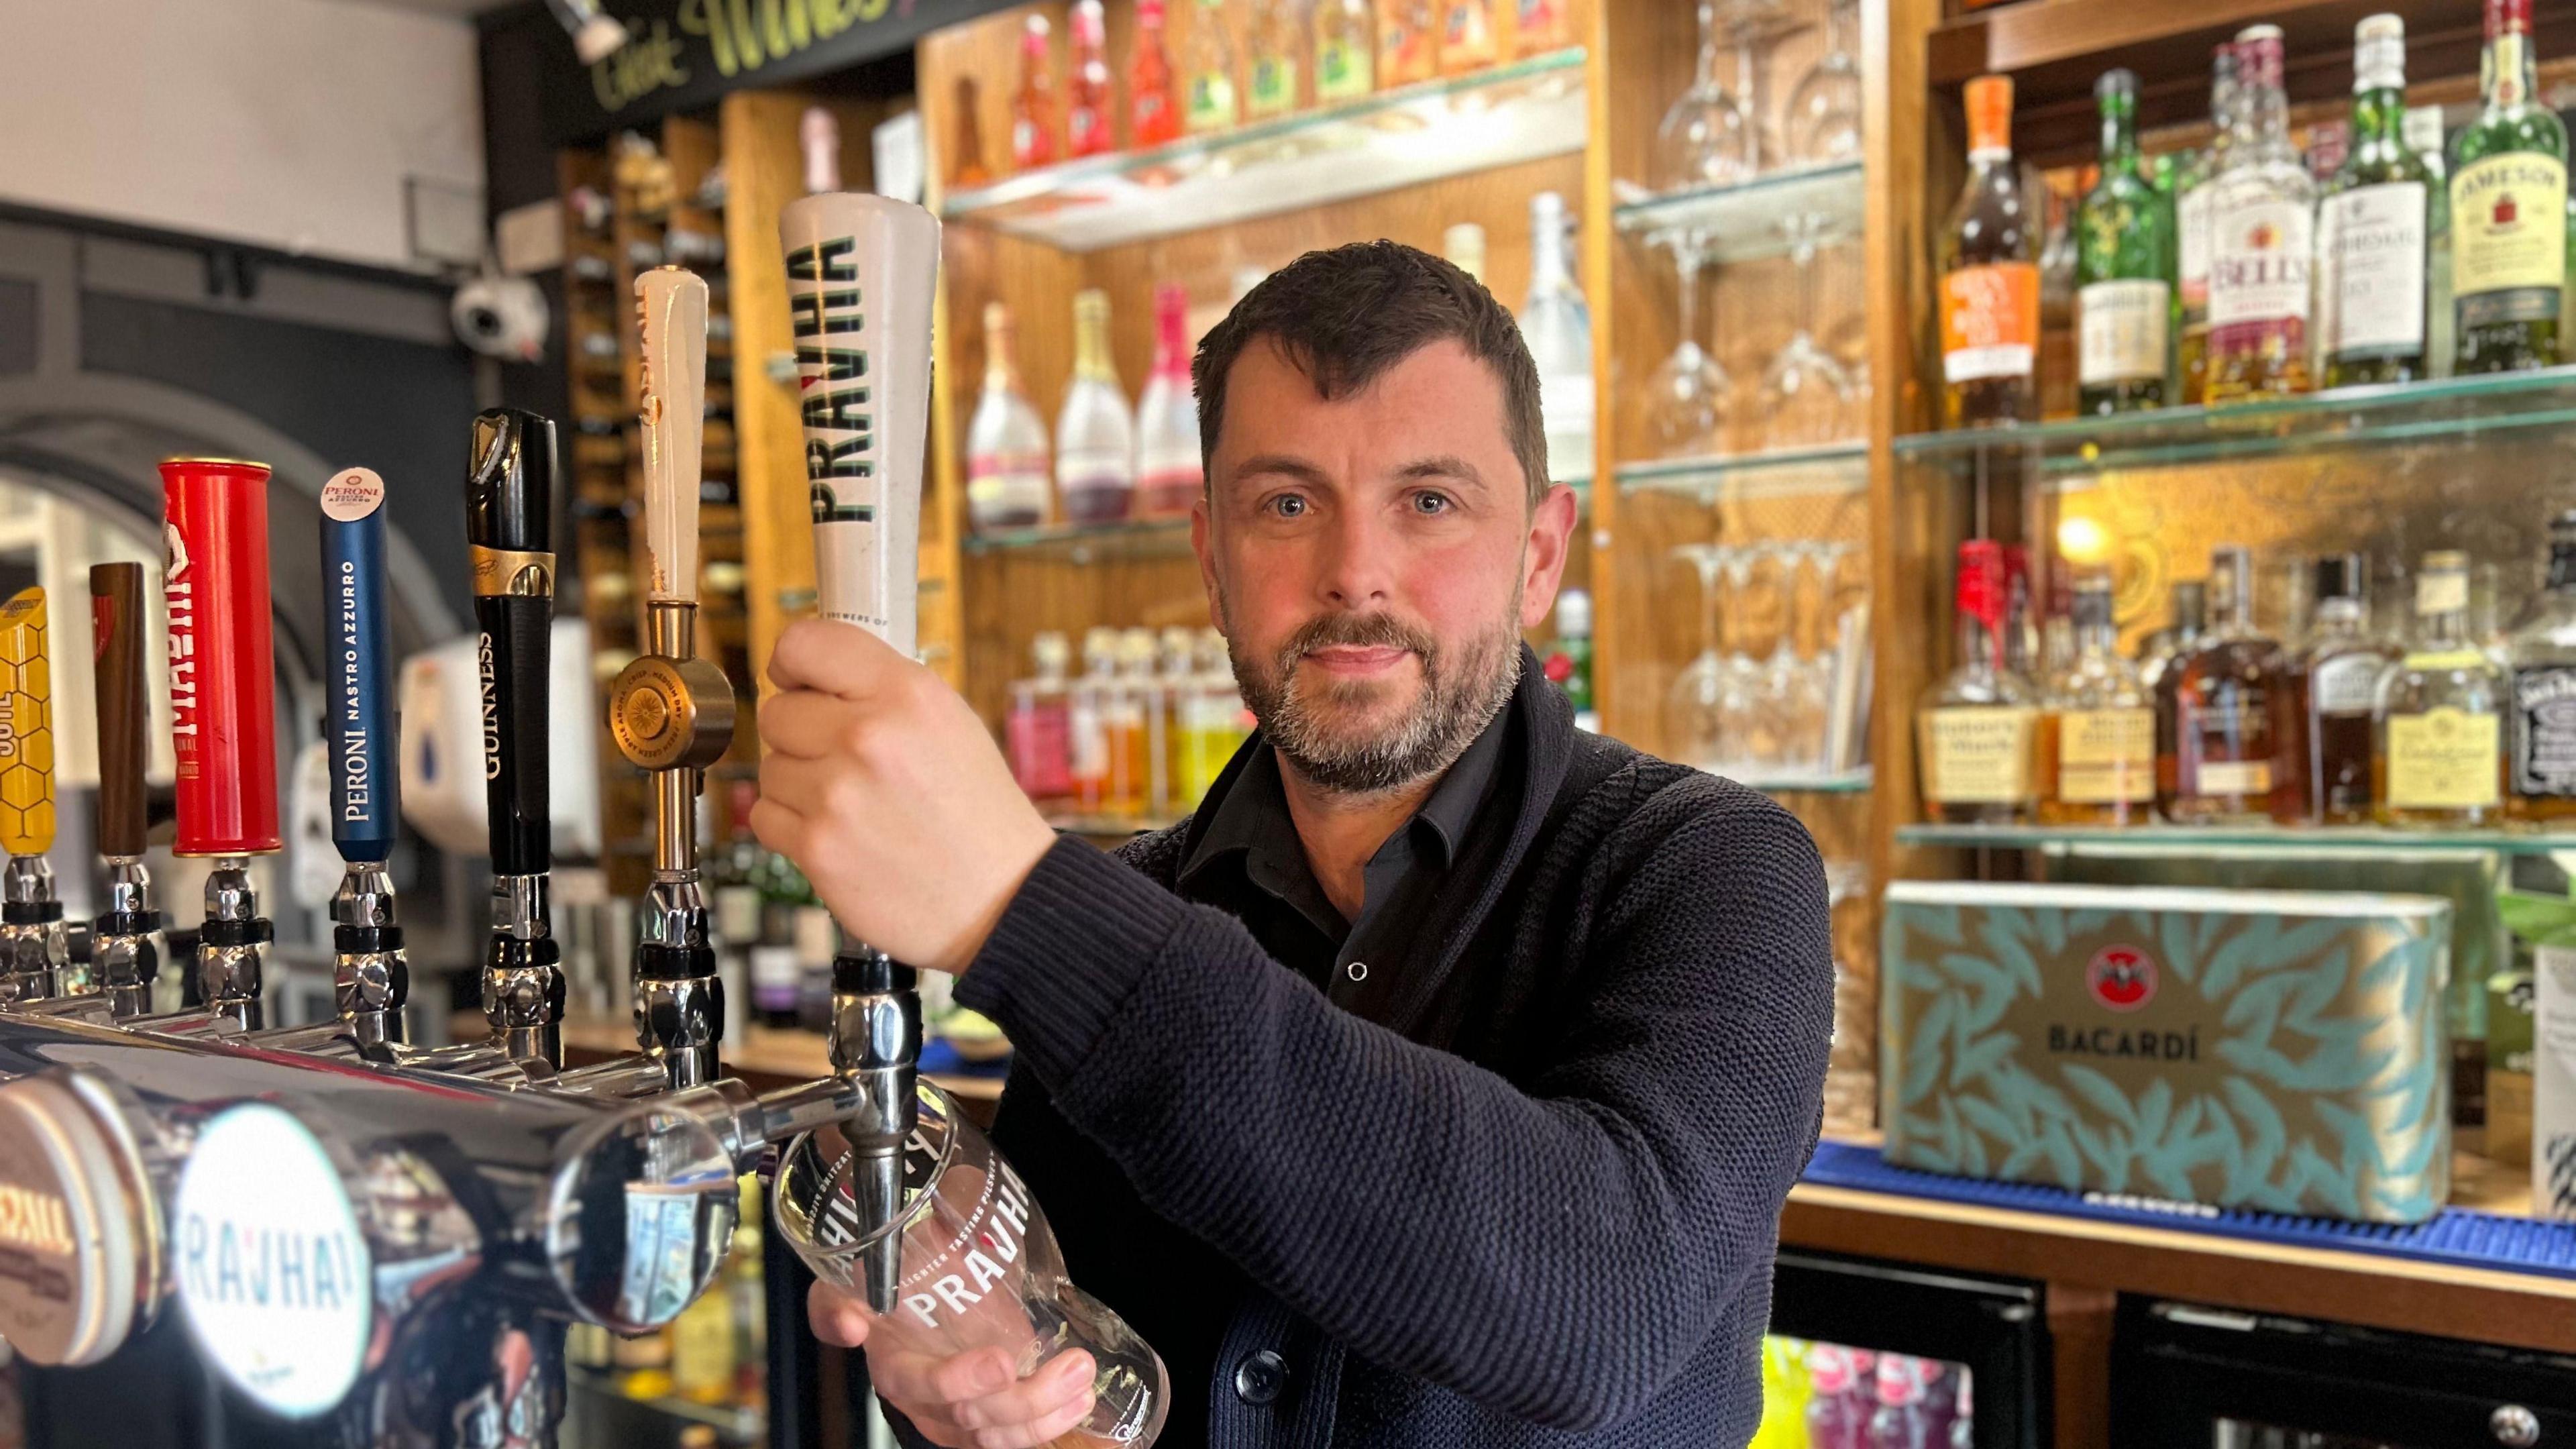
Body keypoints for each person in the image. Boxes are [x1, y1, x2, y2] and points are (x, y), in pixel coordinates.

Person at [753, 241, 1833, 1448]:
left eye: (1429, 502)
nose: (1353, 575)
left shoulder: (1711, 867)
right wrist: (974, 1396)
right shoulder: (1138, 901)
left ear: (1538, 555)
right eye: (1286, 504)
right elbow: (1055, 1370)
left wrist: (1021, 902)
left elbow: (1605, 1308)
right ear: (1212, 564)